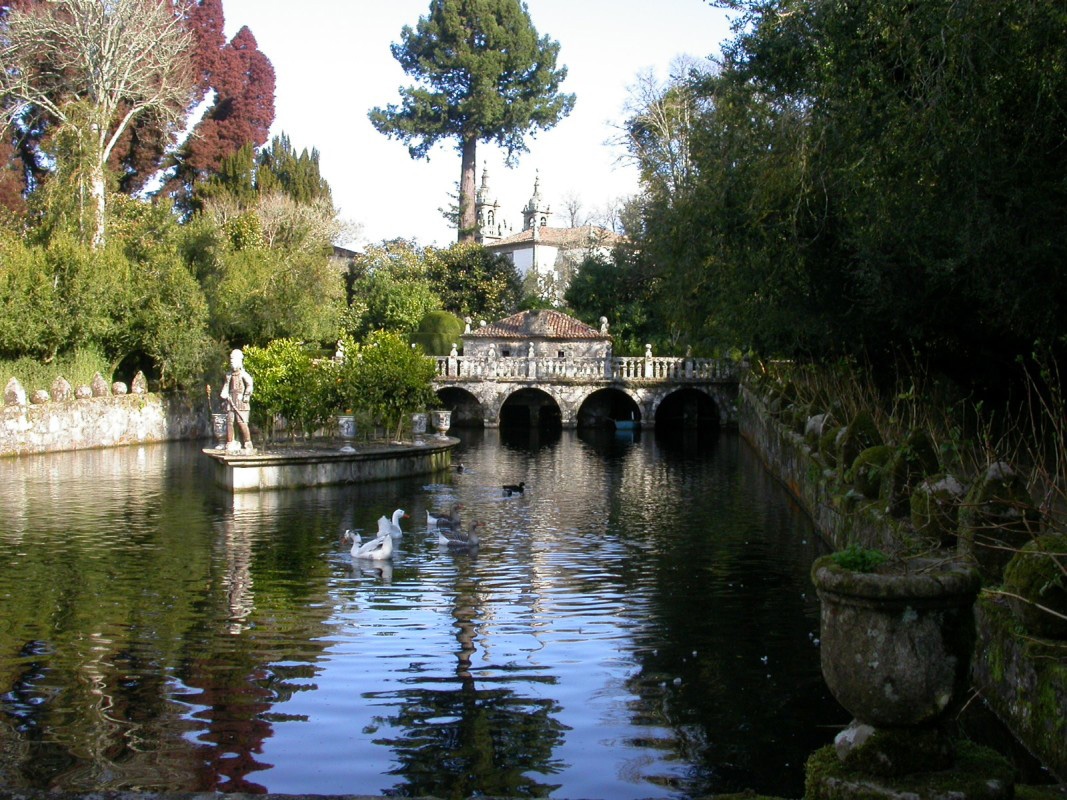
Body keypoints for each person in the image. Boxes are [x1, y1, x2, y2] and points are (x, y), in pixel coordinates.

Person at [220, 349, 254, 451]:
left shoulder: (243, 374)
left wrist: (246, 396)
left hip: (241, 402)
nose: (231, 361)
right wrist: (225, 394)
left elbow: (250, 385)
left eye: (233, 359)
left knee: (241, 422)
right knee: (230, 421)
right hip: (231, 400)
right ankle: (230, 442)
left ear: (239, 361)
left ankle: (248, 443)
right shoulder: (229, 375)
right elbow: (226, 387)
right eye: (231, 359)